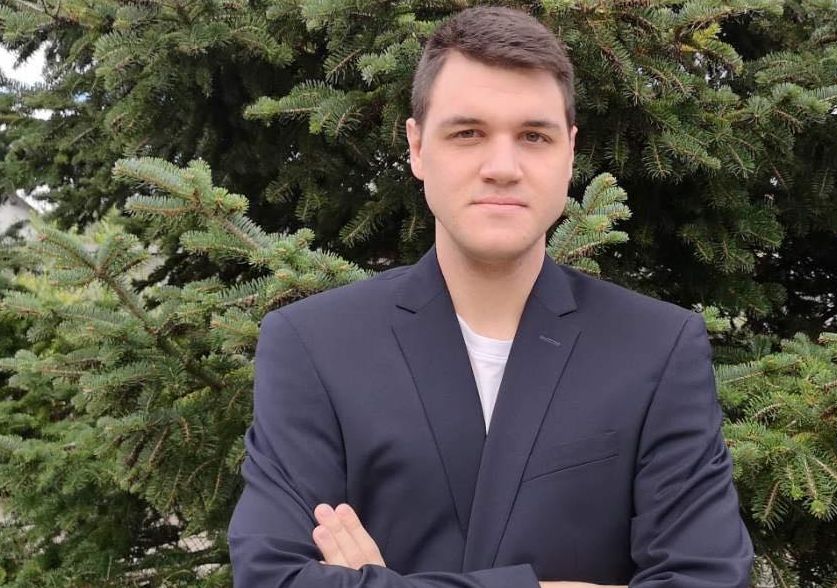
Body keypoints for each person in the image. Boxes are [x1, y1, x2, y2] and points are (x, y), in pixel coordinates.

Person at [228, 6, 753, 587]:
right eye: (468, 133)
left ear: (569, 151)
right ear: (417, 147)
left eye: (533, 136)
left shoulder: (656, 347)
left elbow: (707, 580)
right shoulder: (315, 345)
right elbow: (273, 579)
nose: (502, 167)